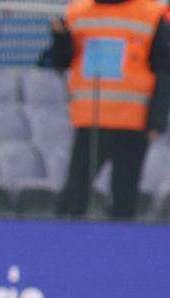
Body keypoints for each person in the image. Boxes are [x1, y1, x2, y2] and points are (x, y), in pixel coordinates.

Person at [41, 0, 170, 219]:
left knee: (123, 194)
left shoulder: (151, 13)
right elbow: (61, 60)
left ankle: (120, 246)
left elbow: (164, 70)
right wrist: (61, 38)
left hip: (132, 121)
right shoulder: (79, 11)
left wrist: (157, 118)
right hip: (91, 119)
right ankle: (64, 244)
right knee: (75, 192)